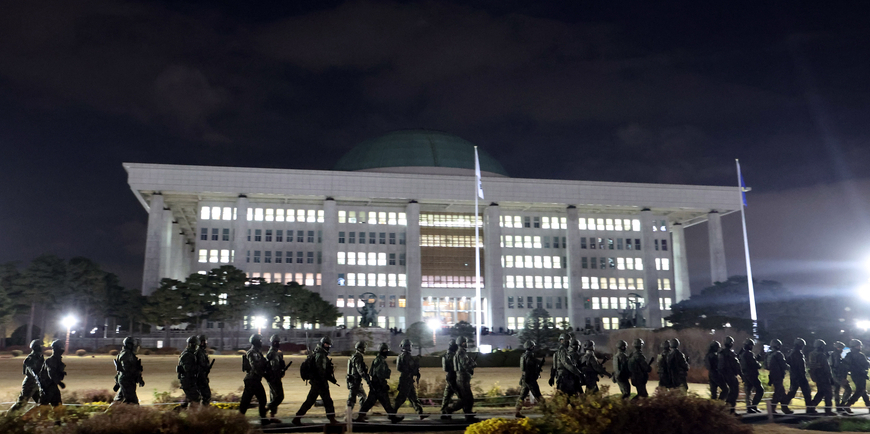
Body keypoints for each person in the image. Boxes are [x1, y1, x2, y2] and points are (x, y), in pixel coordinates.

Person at [293, 336, 339, 425]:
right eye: (326, 344)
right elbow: (321, 370)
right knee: (327, 401)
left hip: (316, 381)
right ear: (323, 344)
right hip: (320, 382)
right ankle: (332, 419)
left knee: (310, 401)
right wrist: (325, 379)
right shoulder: (321, 355)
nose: (328, 346)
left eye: (329, 344)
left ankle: (297, 418)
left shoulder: (318, 352)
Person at [356, 343, 403, 423]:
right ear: (382, 351)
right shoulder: (379, 360)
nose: (386, 352)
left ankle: (392, 417)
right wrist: (382, 385)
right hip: (378, 385)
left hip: (377, 385)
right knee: (375, 402)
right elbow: (378, 374)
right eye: (385, 350)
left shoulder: (379, 360)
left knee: (383, 402)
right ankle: (360, 417)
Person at [7, 340, 43, 413]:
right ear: (35, 347)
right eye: (39, 346)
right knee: (22, 403)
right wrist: (38, 379)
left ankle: (32, 417)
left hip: (36, 383)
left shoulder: (39, 357)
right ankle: (8, 416)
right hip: (30, 384)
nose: (41, 348)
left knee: (42, 402)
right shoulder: (30, 358)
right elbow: (33, 370)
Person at [239, 334, 268, 423]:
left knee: (246, 401)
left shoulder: (258, 352)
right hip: (252, 380)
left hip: (254, 379)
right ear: (256, 342)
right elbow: (255, 365)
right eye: (260, 341)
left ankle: (239, 418)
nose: (261, 342)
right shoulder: (252, 352)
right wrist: (263, 371)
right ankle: (262, 419)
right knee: (261, 399)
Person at [394, 338, 426, 419]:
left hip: (407, 379)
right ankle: (392, 414)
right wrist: (415, 363)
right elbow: (409, 368)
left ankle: (420, 413)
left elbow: (401, 368)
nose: (410, 347)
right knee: (401, 398)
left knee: (414, 398)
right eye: (409, 346)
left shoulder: (402, 356)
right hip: (406, 379)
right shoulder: (405, 356)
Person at [516, 340, 545, 417]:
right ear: (531, 347)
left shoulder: (523, 355)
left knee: (522, 396)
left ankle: (517, 411)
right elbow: (530, 367)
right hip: (530, 379)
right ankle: (546, 410)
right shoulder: (530, 356)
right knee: (538, 395)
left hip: (525, 378)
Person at [112, 337, 144, 405]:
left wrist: (139, 378)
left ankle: (108, 413)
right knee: (132, 400)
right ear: (129, 345)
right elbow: (127, 369)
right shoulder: (126, 355)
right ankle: (137, 413)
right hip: (127, 380)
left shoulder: (127, 354)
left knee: (119, 399)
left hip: (126, 379)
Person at [785, 338, 813, 414]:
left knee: (793, 392)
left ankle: (784, 406)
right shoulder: (797, 353)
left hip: (795, 375)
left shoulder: (793, 352)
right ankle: (810, 409)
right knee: (806, 392)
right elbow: (799, 366)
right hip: (799, 376)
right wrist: (802, 376)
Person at [808, 339, 836, 415]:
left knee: (821, 392)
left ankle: (811, 406)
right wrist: (830, 378)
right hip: (823, 376)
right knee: (828, 393)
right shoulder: (821, 355)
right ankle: (828, 410)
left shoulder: (812, 354)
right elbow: (826, 368)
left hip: (816, 375)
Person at [454, 336, 478, 422]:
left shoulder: (461, 352)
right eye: (465, 342)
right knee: (466, 398)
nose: (467, 344)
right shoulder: (461, 353)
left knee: (467, 398)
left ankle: (468, 415)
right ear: (463, 343)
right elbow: (464, 366)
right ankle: (449, 410)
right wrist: (472, 364)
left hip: (463, 377)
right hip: (462, 378)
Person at [266, 334, 289, 419]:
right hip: (274, 377)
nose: (277, 343)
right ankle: (267, 408)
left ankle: (272, 416)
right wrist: (279, 370)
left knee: (274, 396)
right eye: (275, 342)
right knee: (279, 397)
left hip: (274, 377)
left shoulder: (276, 353)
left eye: (278, 342)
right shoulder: (272, 353)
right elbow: (274, 366)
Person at [844, 339, 870, 413]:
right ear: (855, 346)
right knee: (860, 390)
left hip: (854, 374)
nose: (860, 347)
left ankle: (868, 405)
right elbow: (866, 364)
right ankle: (848, 404)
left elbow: (846, 365)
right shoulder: (860, 355)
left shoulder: (849, 355)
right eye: (858, 345)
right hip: (860, 374)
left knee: (863, 391)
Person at [39, 340, 67, 407]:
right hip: (47, 386)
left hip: (52, 385)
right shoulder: (51, 360)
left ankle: (58, 417)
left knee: (58, 405)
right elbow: (51, 373)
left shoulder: (57, 360)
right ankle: (26, 417)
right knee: (43, 406)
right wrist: (59, 383)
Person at [738, 338, 763, 413]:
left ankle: (749, 408)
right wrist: (758, 361)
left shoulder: (742, 354)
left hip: (746, 374)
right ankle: (753, 406)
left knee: (748, 391)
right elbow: (756, 365)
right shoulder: (749, 354)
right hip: (751, 374)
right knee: (760, 390)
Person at [766, 339, 791, 414]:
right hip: (778, 376)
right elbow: (783, 365)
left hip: (772, 375)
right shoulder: (778, 354)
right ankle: (772, 408)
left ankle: (784, 408)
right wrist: (790, 366)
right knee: (778, 392)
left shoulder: (769, 354)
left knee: (781, 392)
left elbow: (766, 366)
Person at [347, 341, 370, 414]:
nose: (364, 349)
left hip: (353, 381)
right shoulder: (358, 357)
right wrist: (367, 379)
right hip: (355, 381)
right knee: (354, 399)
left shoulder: (353, 356)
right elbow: (360, 370)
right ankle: (352, 416)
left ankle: (360, 415)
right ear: (360, 349)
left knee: (359, 397)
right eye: (364, 348)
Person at [718, 336, 740, 413]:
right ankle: (730, 410)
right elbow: (736, 365)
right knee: (734, 392)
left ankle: (727, 408)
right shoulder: (731, 354)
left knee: (730, 392)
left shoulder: (720, 353)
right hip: (730, 375)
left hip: (724, 375)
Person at [178, 336, 201, 408]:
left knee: (190, 399)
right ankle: (190, 414)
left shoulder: (191, 354)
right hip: (187, 380)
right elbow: (187, 368)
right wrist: (197, 367)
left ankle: (181, 412)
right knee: (195, 398)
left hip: (189, 380)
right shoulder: (187, 355)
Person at [440, 339, 462, 418]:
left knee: (447, 395)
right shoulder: (453, 355)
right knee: (462, 397)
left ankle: (443, 411)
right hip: (453, 376)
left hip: (450, 376)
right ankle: (448, 410)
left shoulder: (446, 354)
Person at [830, 341, 852, 414]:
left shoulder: (834, 355)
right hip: (838, 377)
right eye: (841, 348)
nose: (842, 349)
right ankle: (842, 404)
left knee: (836, 391)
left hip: (834, 376)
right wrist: (842, 378)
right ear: (837, 348)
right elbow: (837, 367)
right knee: (848, 390)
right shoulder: (836, 355)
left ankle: (838, 406)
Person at [196, 335, 212, 406]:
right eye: (204, 342)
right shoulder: (198, 352)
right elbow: (200, 364)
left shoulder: (202, 352)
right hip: (200, 377)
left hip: (202, 376)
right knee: (206, 395)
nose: (205, 343)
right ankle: (203, 411)